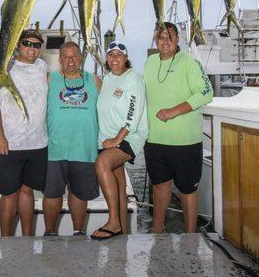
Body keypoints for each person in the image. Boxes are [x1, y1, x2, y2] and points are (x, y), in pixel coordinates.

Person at [143, 22, 213, 233]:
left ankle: (191, 235)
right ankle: (157, 230)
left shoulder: (189, 62)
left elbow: (206, 92)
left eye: (170, 37)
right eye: (161, 37)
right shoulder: (149, 62)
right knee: (159, 186)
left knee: (187, 190)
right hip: (154, 140)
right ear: (156, 39)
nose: (165, 41)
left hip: (186, 142)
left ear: (177, 40)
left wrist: (173, 111)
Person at [0, 29, 48, 237]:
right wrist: (0, 136)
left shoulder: (42, 67)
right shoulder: (3, 68)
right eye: (27, 44)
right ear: (17, 46)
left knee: (28, 191)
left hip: (38, 144)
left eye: (36, 45)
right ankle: (6, 240)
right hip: (10, 145)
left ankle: (27, 238)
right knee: (9, 194)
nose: (32, 48)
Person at [43, 41, 102, 236]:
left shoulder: (93, 80)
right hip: (54, 150)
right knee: (52, 194)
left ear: (81, 58)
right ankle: (49, 233)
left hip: (84, 149)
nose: (71, 60)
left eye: (75, 55)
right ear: (59, 60)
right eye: (66, 56)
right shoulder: (49, 79)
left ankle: (78, 232)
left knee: (79, 194)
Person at [91, 41, 148, 240]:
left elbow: (133, 111)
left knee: (102, 164)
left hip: (128, 137)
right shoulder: (106, 79)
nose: (114, 58)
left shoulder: (133, 78)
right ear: (106, 59)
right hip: (106, 139)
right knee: (118, 185)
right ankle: (122, 229)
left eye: (119, 55)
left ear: (126, 59)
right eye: (111, 55)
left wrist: (118, 138)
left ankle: (113, 221)